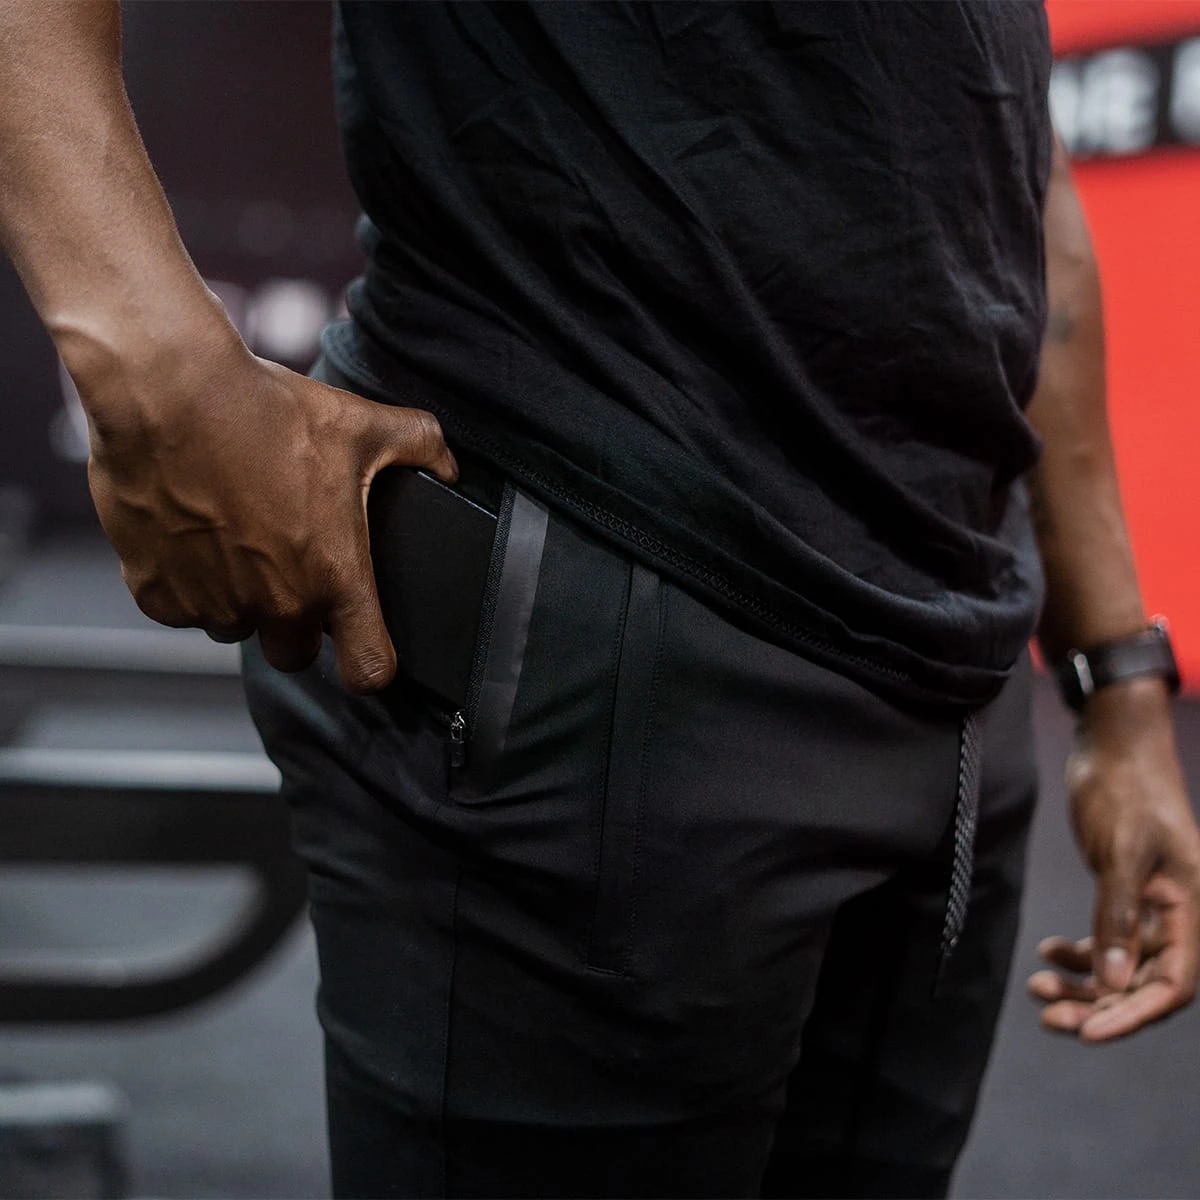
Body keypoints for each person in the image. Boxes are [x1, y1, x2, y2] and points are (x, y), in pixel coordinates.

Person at [2, 2, 1197, 1196]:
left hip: (960, 690)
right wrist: (165, 375)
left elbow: (1005, 152)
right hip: (598, 626)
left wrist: (1119, 687)